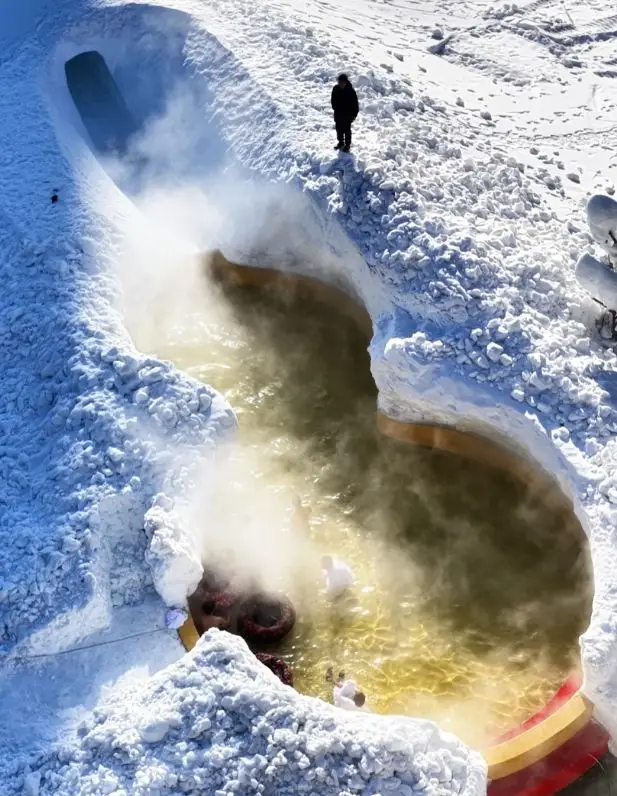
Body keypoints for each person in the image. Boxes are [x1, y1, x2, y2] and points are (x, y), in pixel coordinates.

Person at [331, 73, 359, 153]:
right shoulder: (335, 89)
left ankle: (347, 145)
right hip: (338, 113)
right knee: (338, 129)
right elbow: (333, 100)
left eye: (342, 82)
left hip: (348, 115)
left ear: (346, 82)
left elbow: (355, 104)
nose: (340, 84)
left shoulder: (351, 91)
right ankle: (341, 142)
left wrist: (353, 115)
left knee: (347, 130)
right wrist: (335, 108)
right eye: (339, 82)